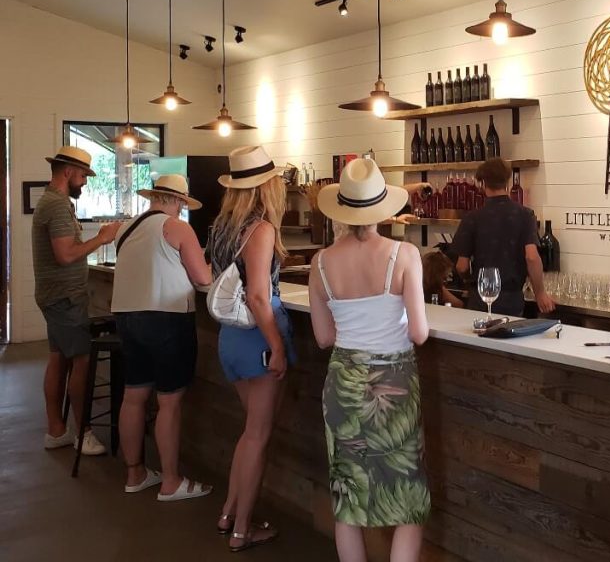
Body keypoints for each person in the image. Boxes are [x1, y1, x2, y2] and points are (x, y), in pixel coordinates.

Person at [308, 158, 430, 562]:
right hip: (393, 382)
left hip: (343, 380)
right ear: (383, 209)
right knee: (407, 501)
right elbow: (419, 333)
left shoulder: (320, 262)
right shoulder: (405, 253)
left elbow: (324, 337)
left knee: (348, 499)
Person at [207, 145, 296, 552]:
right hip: (257, 338)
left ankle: (228, 512)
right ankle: (242, 530)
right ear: (268, 186)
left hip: (230, 337)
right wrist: (277, 346)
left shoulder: (222, 226)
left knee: (249, 434)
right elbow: (259, 297)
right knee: (257, 437)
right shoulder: (261, 229)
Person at [110, 175, 213, 500]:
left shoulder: (125, 228)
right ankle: (170, 481)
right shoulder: (177, 228)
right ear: (178, 201)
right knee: (169, 402)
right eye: (182, 202)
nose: (183, 208)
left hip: (127, 316)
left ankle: (135, 474)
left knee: (134, 396)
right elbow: (203, 278)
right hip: (167, 318)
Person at [32, 146, 121, 455]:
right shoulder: (57, 206)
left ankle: (56, 430)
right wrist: (103, 238)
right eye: (83, 175)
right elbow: (66, 254)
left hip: (55, 296)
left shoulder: (55, 203)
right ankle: (83, 433)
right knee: (81, 362)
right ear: (68, 172)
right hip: (65, 298)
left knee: (58, 359)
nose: (85, 181)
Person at [450, 158, 555, 317]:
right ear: (508, 180)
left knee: (478, 340)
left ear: (483, 183)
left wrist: (470, 282)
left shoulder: (472, 218)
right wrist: (540, 293)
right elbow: (532, 258)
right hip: (511, 299)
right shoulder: (525, 215)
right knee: (506, 340)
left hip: (480, 298)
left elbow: (461, 266)